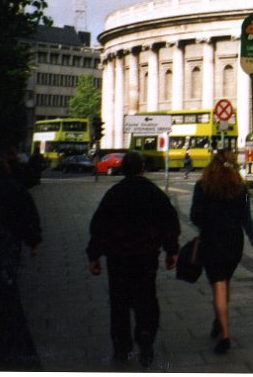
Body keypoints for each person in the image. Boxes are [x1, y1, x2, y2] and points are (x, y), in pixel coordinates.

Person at [86, 151, 180, 368]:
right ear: (142, 168)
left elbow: (99, 227)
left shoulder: (113, 194)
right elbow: (169, 223)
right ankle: (145, 340)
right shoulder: (154, 193)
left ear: (123, 169)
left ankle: (121, 346)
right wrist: (171, 251)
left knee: (119, 302)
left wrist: (94, 256)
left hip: (118, 258)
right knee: (146, 299)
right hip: (145, 257)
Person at [190, 149, 253, 354]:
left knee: (218, 285)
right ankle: (219, 319)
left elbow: (194, 216)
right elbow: (246, 219)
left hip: (211, 241)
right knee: (225, 281)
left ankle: (225, 335)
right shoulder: (240, 188)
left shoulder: (202, 186)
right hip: (233, 243)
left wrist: (208, 220)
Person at [0, 150, 42, 370]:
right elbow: (28, 214)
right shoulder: (14, 187)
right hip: (8, 245)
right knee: (6, 289)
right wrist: (34, 240)